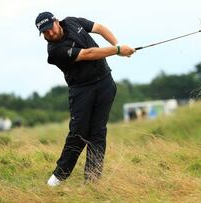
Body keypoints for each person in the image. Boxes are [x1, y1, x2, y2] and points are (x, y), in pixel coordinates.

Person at [35, 11, 135, 186]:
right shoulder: (55, 52)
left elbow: (99, 28)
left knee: (98, 132)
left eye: (50, 28)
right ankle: (58, 178)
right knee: (78, 133)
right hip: (82, 90)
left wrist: (118, 45)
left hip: (105, 83)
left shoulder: (73, 22)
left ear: (56, 22)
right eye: (45, 32)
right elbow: (88, 54)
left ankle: (92, 180)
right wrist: (117, 50)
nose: (49, 34)